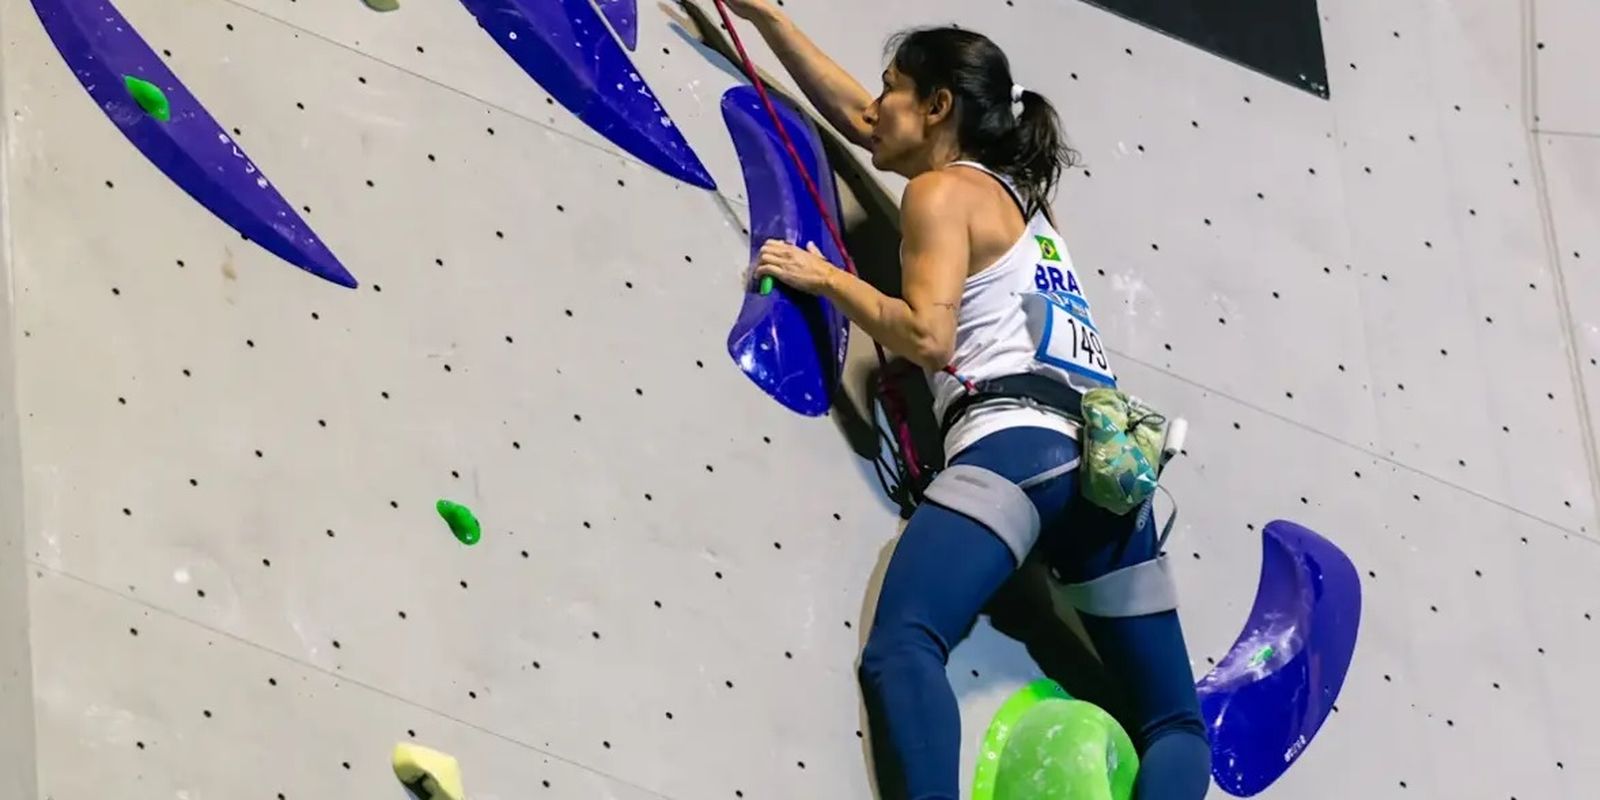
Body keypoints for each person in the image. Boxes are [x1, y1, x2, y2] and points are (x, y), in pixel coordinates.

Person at [723, 2, 1212, 798]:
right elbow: (856, 118)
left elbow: (928, 339)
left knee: (903, 646)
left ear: (939, 106)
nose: (875, 110)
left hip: (1015, 452)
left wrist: (827, 278)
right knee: (1174, 725)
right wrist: (765, 20)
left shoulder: (941, 195)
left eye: (894, 90)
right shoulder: (1027, 207)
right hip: (1111, 471)